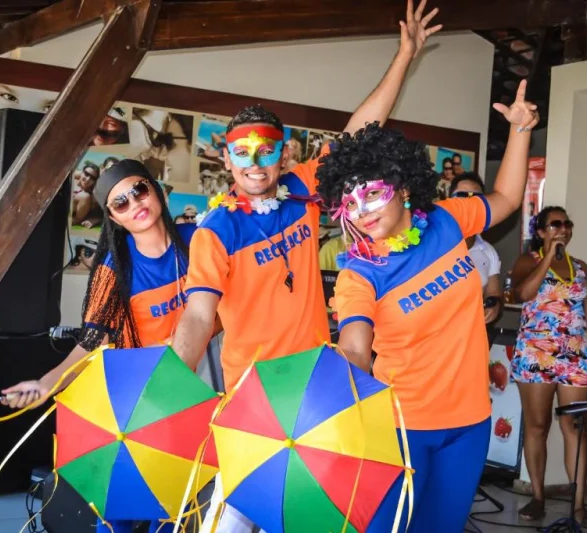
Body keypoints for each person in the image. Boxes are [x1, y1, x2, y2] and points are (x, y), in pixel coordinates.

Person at [171, 2, 442, 531]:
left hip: (318, 390)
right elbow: (199, 317)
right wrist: (170, 383)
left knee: (310, 518)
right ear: (225, 159)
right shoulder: (216, 230)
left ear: (285, 154)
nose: (255, 163)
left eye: (266, 150)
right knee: (233, 520)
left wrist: (405, 56)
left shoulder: (302, 189)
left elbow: (359, 130)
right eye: (241, 152)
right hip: (253, 400)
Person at [319, 80, 538, 532]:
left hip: (470, 421)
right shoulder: (359, 274)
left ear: (402, 186)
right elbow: (356, 346)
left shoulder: (446, 220)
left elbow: (506, 199)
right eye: (350, 203)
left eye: (372, 193)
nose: (362, 211)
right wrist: (343, 390)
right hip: (401, 426)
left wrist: (519, 131)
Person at [2, 160, 198, 533]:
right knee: (119, 509)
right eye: (120, 202)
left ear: (156, 189)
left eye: (139, 190)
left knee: (174, 509)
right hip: (136, 400)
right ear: (113, 217)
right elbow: (91, 342)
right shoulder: (115, 268)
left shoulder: (196, 240)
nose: (135, 204)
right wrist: (46, 383)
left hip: (190, 390)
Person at [509, 206, 587, 529]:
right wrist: (546, 259)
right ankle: (538, 496)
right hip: (536, 355)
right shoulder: (528, 261)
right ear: (541, 232)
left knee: (576, 428)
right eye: (555, 224)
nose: (563, 229)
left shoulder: (580, 267)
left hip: (576, 357)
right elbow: (522, 293)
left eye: (567, 224)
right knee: (538, 426)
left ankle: (579, 505)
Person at [448, 173, 502, 325]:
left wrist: (494, 305)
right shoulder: (430, 241)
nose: (469, 202)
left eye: (476, 197)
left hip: (470, 332)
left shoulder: (488, 251)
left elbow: (493, 293)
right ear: (448, 200)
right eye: (462, 195)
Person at [72, 162, 103, 229]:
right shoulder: (73, 180)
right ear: (82, 172)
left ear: (95, 181)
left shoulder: (85, 197)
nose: (88, 179)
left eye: (92, 178)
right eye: (86, 174)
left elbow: (77, 219)